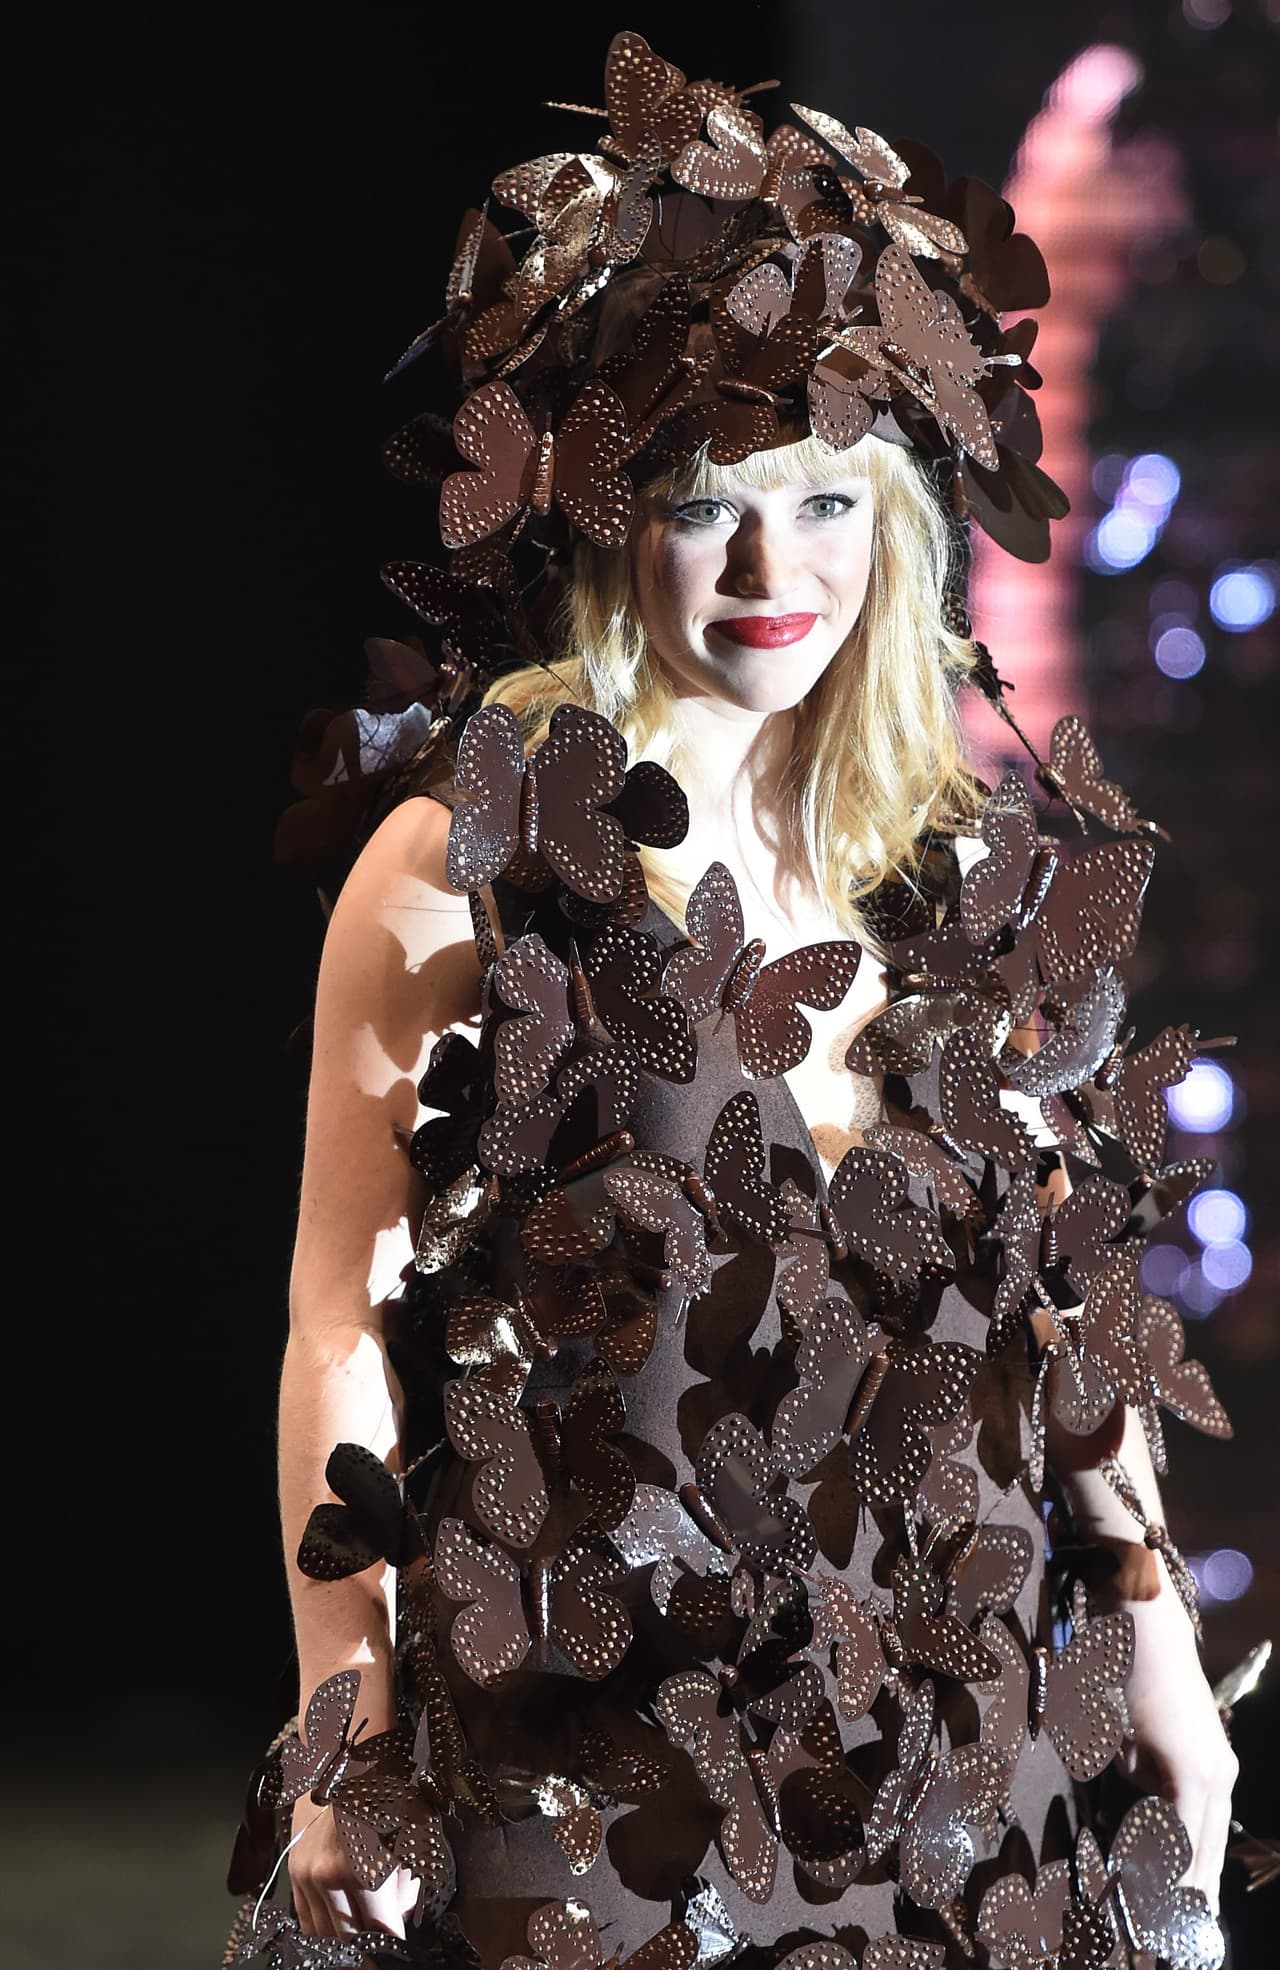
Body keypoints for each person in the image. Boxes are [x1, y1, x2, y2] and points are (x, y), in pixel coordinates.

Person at [233, 30, 1238, 1970]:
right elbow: (334, 1316)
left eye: (828, 504)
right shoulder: (469, 861)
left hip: (954, 1739)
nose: (779, 568)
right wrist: (341, 1711)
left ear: (902, 520)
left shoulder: (962, 861)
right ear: (610, 507)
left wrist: (1161, 1663)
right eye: (710, 504)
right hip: (599, 1749)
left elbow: (1059, 1315)